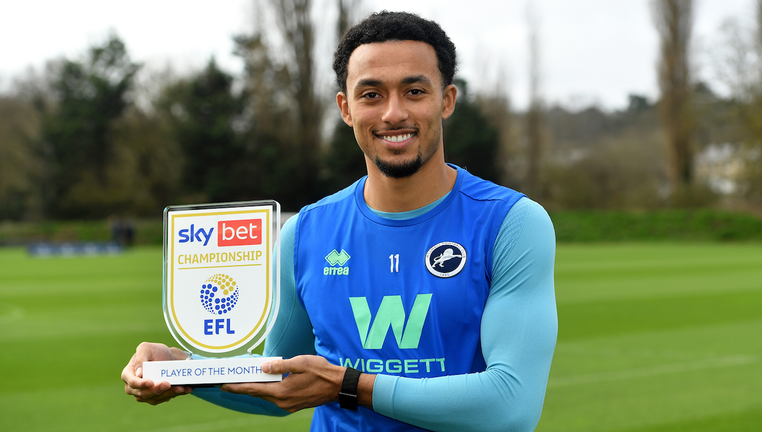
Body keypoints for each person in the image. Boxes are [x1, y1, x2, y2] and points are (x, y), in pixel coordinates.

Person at [122, 10, 557, 432]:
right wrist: (182, 368)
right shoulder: (304, 234)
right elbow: (284, 382)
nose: (393, 114)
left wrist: (347, 385)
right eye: (372, 95)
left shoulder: (511, 224)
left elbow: (510, 407)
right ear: (346, 108)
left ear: (446, 101)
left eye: (414, 91)